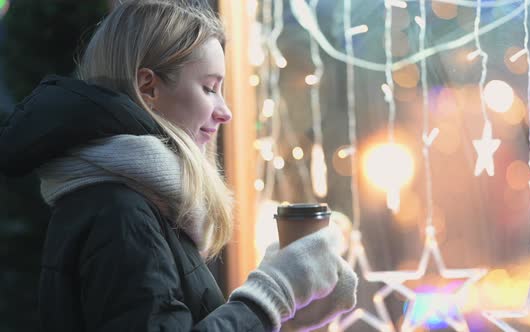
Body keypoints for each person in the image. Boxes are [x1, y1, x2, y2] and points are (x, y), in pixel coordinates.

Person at [0, 1, 358, 331]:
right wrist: (272, 294)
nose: (226, 111)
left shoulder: (134, 202)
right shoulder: (120, 213)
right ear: (148, 88)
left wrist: (288, 312)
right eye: (209, 87)